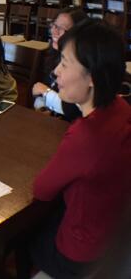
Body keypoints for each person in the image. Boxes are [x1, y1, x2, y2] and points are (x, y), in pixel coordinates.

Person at [23, 21, 131, 279]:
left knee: (23, 237)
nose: (55, 72)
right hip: (114, 236)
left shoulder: (86, 135)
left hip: (80, 254)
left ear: (92, 77)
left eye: (64, 63)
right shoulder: (121, 107)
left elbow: (42, 189)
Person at [32, 8, 88, 121]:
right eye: (54, 25)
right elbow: (39, 90)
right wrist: (42, 106)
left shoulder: (83, 65)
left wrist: (47, 93)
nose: (55, 31)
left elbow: (77, 111)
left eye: (61, 28)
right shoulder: (52, 55)